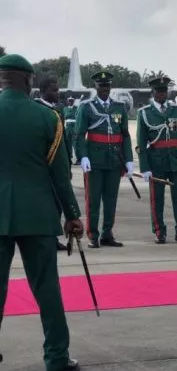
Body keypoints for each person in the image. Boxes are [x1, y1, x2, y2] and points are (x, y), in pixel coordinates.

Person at [0, 53, 84, 370]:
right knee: (47, 291)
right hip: (38, 216)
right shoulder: (48, 118)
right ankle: (57, 358)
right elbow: (59, 176)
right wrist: (72, 215)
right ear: (28, 80)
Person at [74, 71, 133, 248]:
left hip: (114, 160)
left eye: (107, 86)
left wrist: (128, 159)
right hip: (94, 161)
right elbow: (79, 135)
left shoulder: (119, 107)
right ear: (96, 87)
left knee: (111, 199)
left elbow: (125, 135)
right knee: (93, 200)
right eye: (101, 86)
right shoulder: (87, 107)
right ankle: (93, 234)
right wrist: (83, 156)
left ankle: (107, 233)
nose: (104, 89)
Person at [136, 76, 177, 244]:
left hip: (176, 160)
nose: (162, 94)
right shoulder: (145, 113)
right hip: (156, 162)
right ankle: (159, 231)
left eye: (164, 91)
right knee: (157, 199)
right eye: (158, 91)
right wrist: (144, 167)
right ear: (152, 92)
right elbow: (141, 143)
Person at [34, 76, 73, 251]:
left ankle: (53, 238)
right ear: (43, 92)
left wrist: (67, 165)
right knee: (47, 205)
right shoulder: (38, 110)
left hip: (58, 166)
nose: (58, 93)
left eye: (58, 89)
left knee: (57, 205)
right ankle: (45, 238)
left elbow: (63, 141)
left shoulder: (58, 110)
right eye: (54, 90)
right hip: (45, 168)